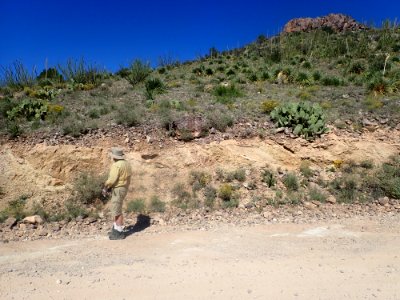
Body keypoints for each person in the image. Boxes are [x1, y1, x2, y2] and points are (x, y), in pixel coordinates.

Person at [104, 147, 132, 240]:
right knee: (117, 208)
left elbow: (112, 179)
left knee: (117, 210)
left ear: (114, 156)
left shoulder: (116, 165)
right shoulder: (126, 164)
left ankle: (119, 232)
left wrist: (106, 187)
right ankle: (116, 229)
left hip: (118, 189)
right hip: (124, 188)